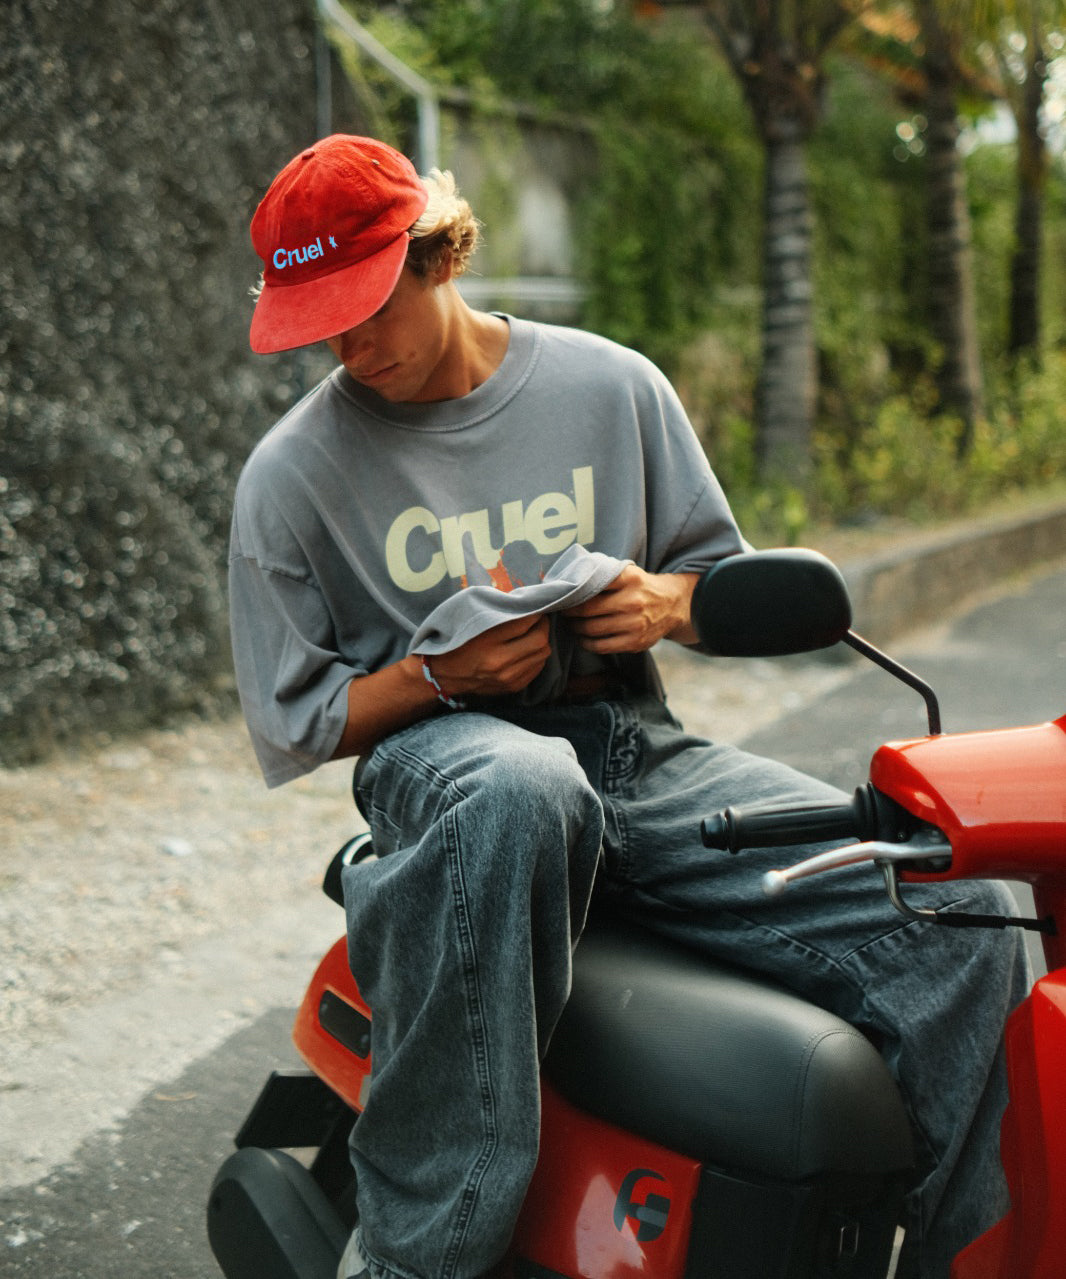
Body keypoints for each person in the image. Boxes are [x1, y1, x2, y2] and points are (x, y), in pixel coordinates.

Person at [229, 134, 1029, 1279]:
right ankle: (410, 1259)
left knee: (961, 908)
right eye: (321, 327)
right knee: (520, 782)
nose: (351, 349)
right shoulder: (291, 475)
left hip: (635, 749)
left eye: (366, 307)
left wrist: (663, 602)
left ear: (434, 256)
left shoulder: (610, 387)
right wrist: (446, 677)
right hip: (438, 759)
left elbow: (719, 590)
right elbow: (296, 719)